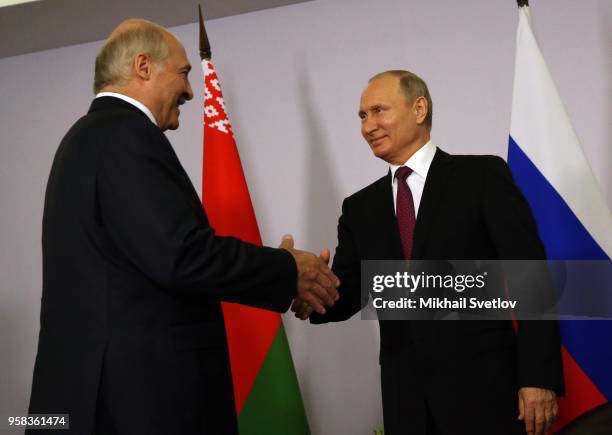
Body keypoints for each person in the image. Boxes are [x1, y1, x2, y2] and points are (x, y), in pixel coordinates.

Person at [28, 19, 339, 435]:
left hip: (91, 397)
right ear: (143, 66)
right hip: (138, 404)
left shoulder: (84, 139)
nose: (192, 91)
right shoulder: (126, 135)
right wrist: (288, 270)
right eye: (184, 72)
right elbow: (182, 255)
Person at [293, 70, 564, 435]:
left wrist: (537, 377)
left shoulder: (481, 177)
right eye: (362, 116)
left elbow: (531, 278)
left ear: (419, 109)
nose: (368, 126)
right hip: (407, 403)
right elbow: (351, 291)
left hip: (485, 393)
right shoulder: (360, 208)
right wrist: (312, 289)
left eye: (378, 111)